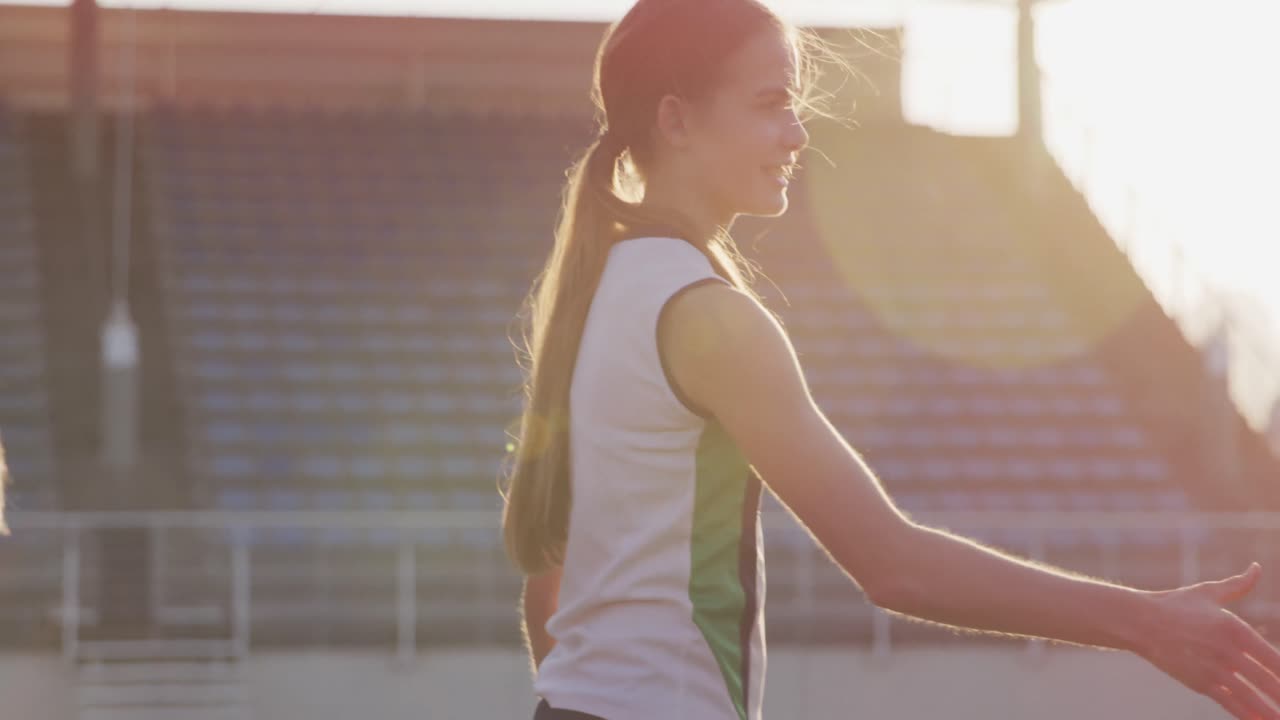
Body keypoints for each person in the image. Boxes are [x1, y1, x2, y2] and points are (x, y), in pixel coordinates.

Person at [499, 1, 1280, 718]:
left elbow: (548, 590)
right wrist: (1146, 622)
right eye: (770, 104)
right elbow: (894, 566)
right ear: (676, 119)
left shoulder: (600, 288)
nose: (797, 133)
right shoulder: (709, 318)